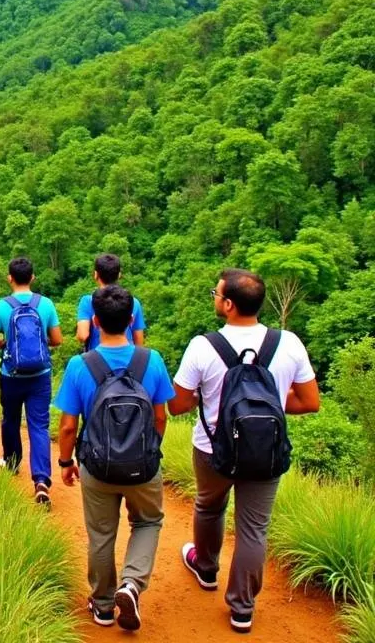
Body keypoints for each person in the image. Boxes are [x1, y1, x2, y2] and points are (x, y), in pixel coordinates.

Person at [169, 268, 320, 635]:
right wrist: (268, 408)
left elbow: (177, 406)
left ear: (229, 304)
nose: (214, 297)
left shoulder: (203, 346)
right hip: (265, 452)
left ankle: (206, 567)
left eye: (215, 293)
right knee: (254, 529)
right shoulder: (289, 343)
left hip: (212, 450)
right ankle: (242, 609)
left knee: (209, 504)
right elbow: (310, 401)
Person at [55, 284, 174, 632]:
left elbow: (66, 426)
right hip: (143, 465)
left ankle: (104, 606)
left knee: (102, 533)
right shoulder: (150, 360)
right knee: (148, 522)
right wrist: (150, 449)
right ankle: (132, 584)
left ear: (94, 321)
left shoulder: (81, 365)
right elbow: (161, 416)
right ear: (132, 319)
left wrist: (66, 463)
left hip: (97, 465)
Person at [0, 256, 62, 505]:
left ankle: (12, 463)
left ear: (10, 278)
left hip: (11, 374)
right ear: (32, 278)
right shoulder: (46, 304)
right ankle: (41, 480)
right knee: (39, 426)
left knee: (11, 419)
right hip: (40, 375)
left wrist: (8, 343)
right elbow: (57, 339)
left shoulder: (0, 306)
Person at [76, 253, 145, 351]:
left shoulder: (88, 301)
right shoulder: (133, 302)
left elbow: (83, 335)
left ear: (96, 275)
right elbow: (139, 342)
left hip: (96, 360)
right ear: (119, 275)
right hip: (128, 360)